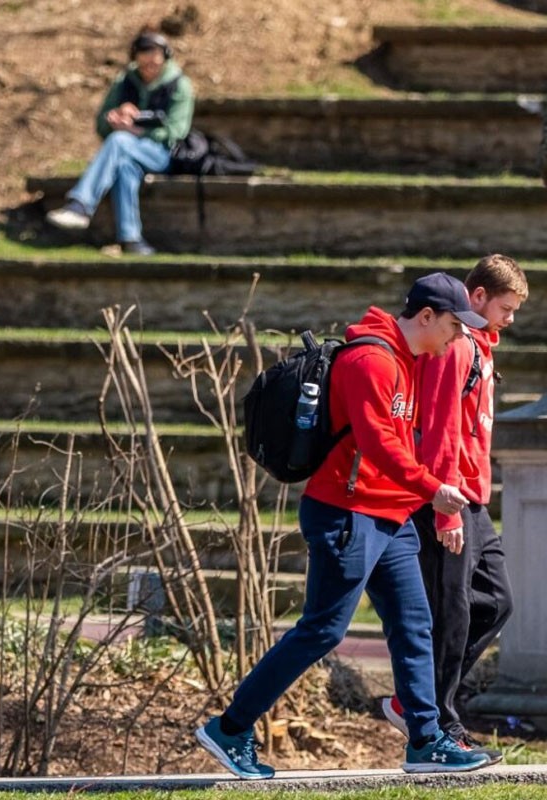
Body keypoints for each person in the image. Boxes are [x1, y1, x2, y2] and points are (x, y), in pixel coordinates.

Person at [195, 273, 497, 779]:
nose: (457, 337)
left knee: (414, 624)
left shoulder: (408, 360)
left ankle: (426, 741)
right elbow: (380, 444)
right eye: (452, 325)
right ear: (426, 317)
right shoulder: (370, 361)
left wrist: (416, 494)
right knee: (322, 630)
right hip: (347, 514)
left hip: (390, 515)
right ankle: (230, 728)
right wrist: (432, 488)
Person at [376, 255, 527, 760]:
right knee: (451, 611)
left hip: (473, 497)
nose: (510, 319)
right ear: (477, 297)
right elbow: (438, 429)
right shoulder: (455, 347)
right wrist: (443, 509)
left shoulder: (481, 347)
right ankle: (435, 720)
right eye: (505, 308)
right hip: (447, 495)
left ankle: (415, 699)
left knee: (495, 601)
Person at [45, 30, 194, 256]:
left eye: (154, 59)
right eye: (143, 60)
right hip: (128, 152)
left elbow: (177, 131)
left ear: (165, 57)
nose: (149, 66)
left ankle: (81, 206)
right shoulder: (125, 82)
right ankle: (131, 239)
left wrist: (135, 130)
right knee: (125, 167)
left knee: (120, 141)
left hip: (163, 154)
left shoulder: (180, 85)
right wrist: (115, 118)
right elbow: (101, 126)